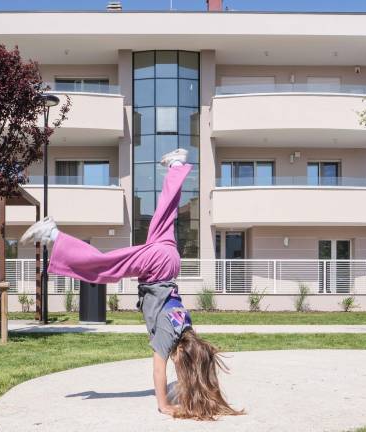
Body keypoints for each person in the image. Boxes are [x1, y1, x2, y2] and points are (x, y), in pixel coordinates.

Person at [20, 148, 243, 421]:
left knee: (165, 216)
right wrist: (163, 404)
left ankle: (176, 165)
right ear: (182, 355)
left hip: (170, 261)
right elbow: (158, 370)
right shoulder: (168, 338)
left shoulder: (186, 325)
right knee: (105, 266)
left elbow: (192, 353)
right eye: (179, 365)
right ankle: (52, 233)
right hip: (158, 268)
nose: (173, 364)